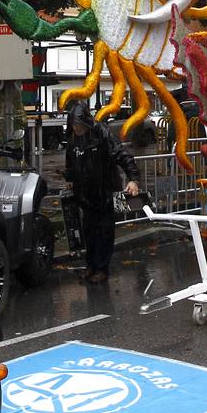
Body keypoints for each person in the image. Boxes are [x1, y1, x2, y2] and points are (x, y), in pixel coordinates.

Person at [63, 100, 140, 283]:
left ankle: (102, 268)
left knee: (105, 231)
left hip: (105, 190)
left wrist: (133, 179)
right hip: (85, 193)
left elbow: (122, 154)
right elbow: (71, 162)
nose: (76, 129)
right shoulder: (73, 139)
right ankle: (91, 265)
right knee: (89, 231)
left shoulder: (101, 133)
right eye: (74, 125)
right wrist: (70, 179)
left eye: (79, 125)